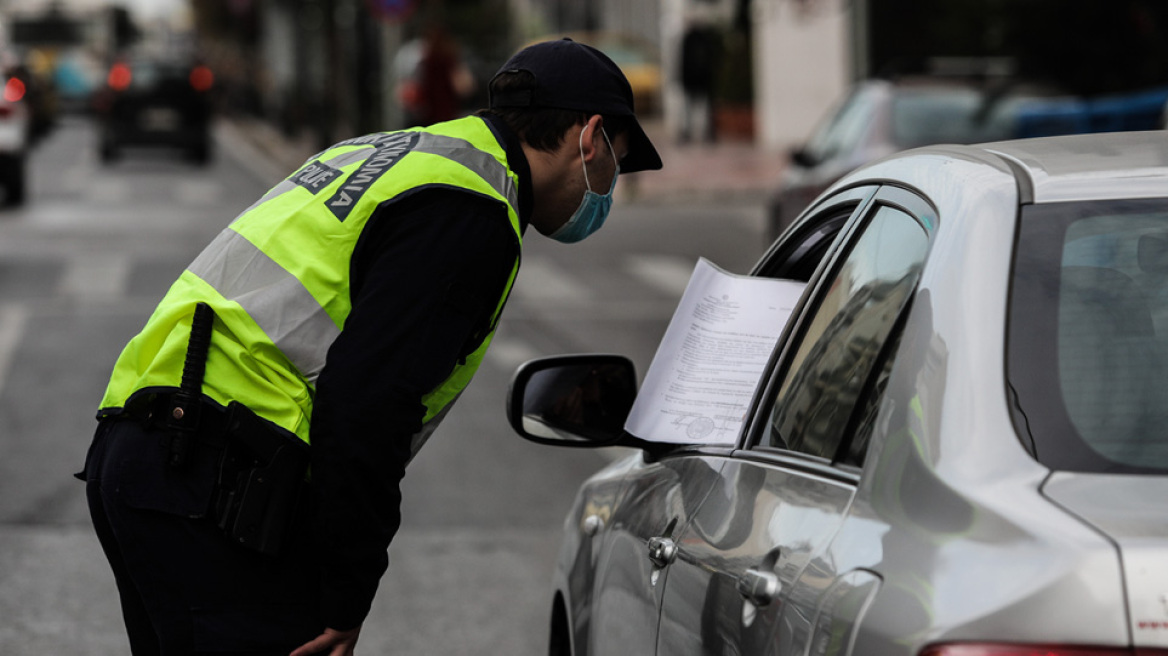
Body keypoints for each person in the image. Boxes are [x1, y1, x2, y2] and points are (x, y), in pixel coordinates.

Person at [77, 37, 661, 656]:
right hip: (215, 480)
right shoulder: (473, 212)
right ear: (589, 138)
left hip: (145, 450)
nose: (608, 191)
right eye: (615, 168)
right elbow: (368, 405)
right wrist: (346, 594)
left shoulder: (396, 152)